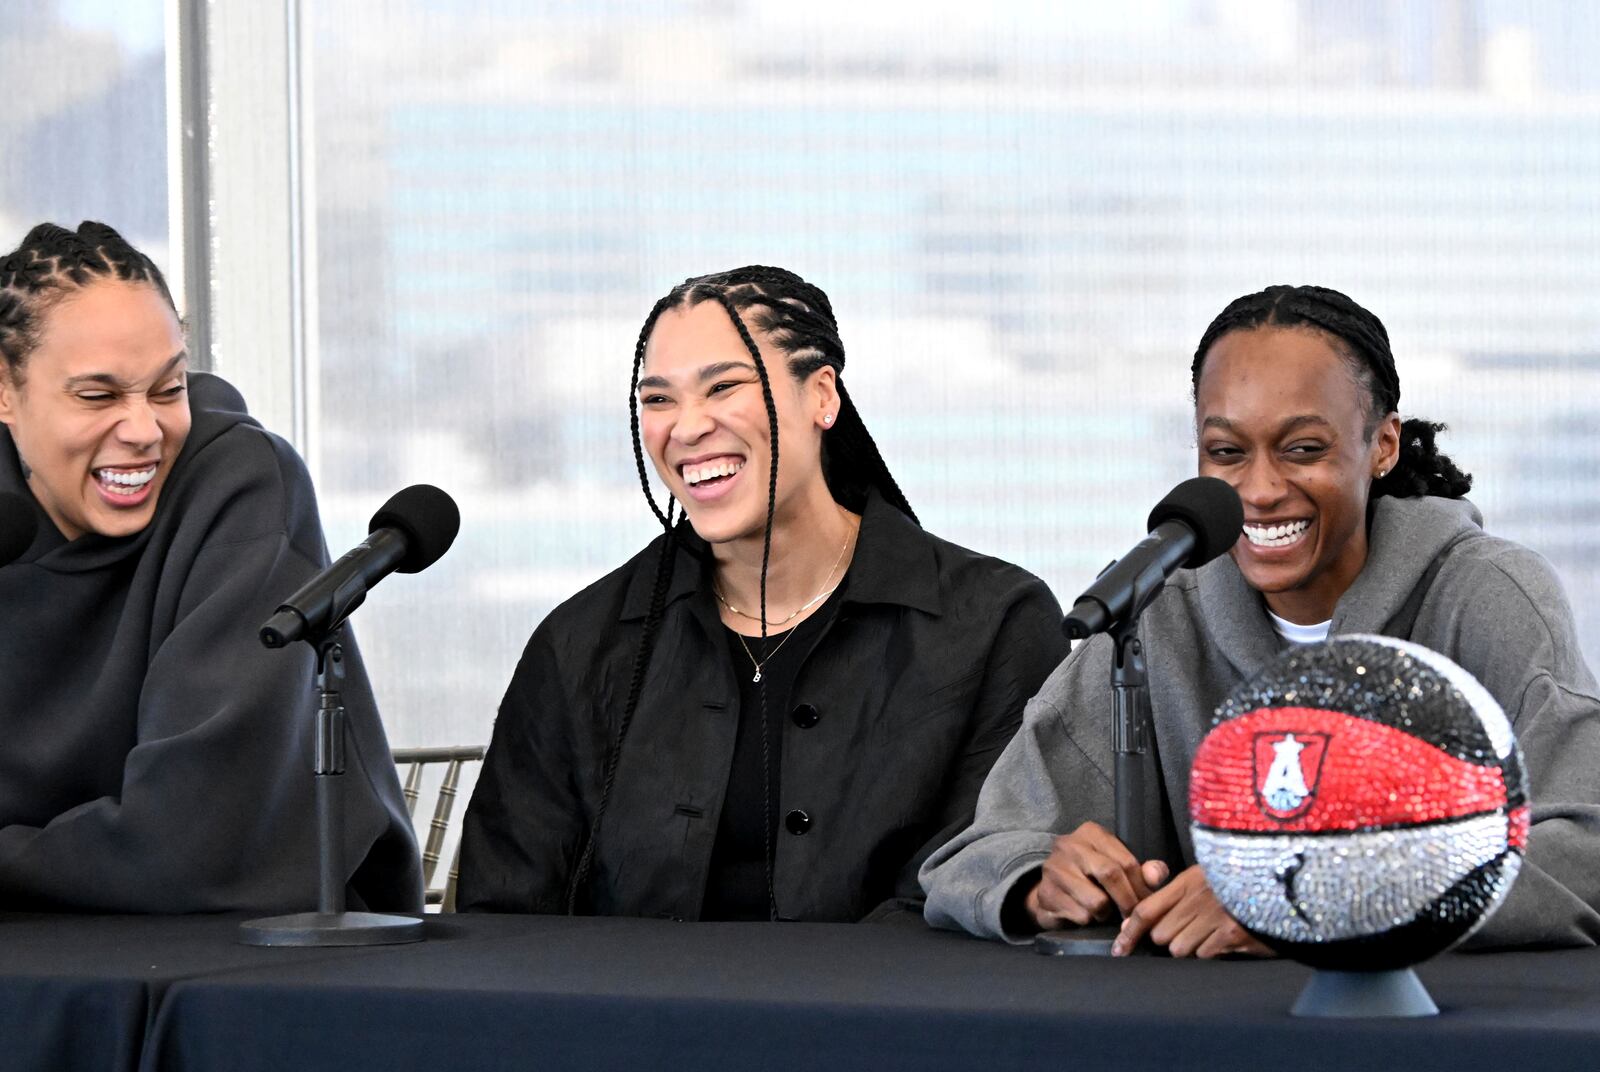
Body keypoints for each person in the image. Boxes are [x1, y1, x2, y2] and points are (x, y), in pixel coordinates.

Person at [921, 284, 1600, 955]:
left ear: (1383, 444)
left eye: (1303, 449)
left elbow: (1584, 848)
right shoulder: (1156, 610)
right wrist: (1044, 881)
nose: (1262, 489)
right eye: (1227, 453)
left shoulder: (1487, 595)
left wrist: (1309, 897)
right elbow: (980, 850)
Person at [459, 266, 1066, 921]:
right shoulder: (582, 643)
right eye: (658, 399)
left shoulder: (993, 625)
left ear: (822, 397)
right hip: (630, 1022)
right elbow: (504, 913)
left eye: (723, 386)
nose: (686, 427)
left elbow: (983, 889)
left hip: (893, 1019)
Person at [0, 221, 421, 913]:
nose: (143, 430)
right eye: (98, 397)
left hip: (250, 959)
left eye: (167, 389)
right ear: (5, 390)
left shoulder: (243, 486)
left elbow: (190, 840)